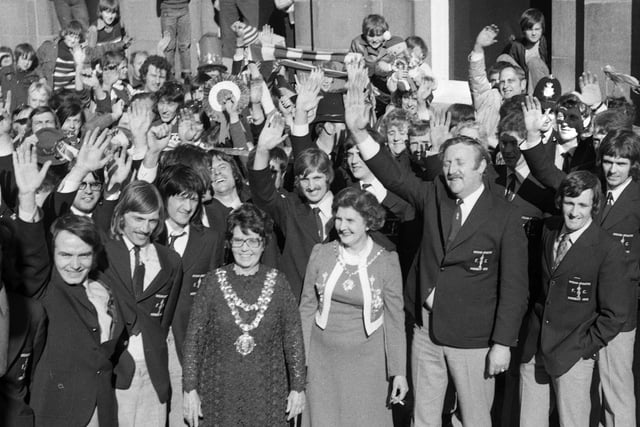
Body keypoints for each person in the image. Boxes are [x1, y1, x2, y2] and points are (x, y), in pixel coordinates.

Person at [344, 69, 528, 426]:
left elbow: (514, 286)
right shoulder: (434, 196)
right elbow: (393, 176)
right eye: (446, 164)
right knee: (424, 418)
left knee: (473, 419)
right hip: (426, 331)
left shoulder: (505, 216)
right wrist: (359, 132)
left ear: (481, 168)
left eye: (459, 164)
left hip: (474, 339)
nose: (451, 171)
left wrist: (503, 343)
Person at [12, 142, 127, 427]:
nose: (74, 264)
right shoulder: (46, 286)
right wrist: (28, 198)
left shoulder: (104, 287)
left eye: (83, 255)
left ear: (94, 254)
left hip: (102, 412)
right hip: (57, 413)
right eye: (65, 255)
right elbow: (32, 249)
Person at [519, 171, 632, 427]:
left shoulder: (607, 249)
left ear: (595, 205)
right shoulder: (547, 230)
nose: (574, 212)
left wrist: (584, 349)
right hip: (534, 348)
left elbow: (615, 314)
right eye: (570, 202)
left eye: (582, 204)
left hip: (573, 354)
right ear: (560, 201)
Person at [182, 203, 305, 427]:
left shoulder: (279, 283)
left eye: (253, 240)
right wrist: (190, 389)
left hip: (268, 393)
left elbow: (293, 338)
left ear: (264, 243)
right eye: (239, 240)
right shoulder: (212, 282)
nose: (245, 248)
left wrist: (298, 388)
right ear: (229, 243)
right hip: (218, 393)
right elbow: (194, 340)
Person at [299, 187, 408, 426]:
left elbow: (394, 319)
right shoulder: (320, 253)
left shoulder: (387, 261)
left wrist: (398, 371)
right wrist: (302, 360)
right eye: (338, 218)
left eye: (350, 220)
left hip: (368, 364)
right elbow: (306, 308)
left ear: (368, 222)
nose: (341, 226)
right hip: (322, 360)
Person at [100, 180, 183, 427]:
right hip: (115, 371)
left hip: (154, 371)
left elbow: (166, 317)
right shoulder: (103, 254)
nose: (145, 228)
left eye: (153, 221)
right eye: (138, 219)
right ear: (122, 215)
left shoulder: (170, 260)